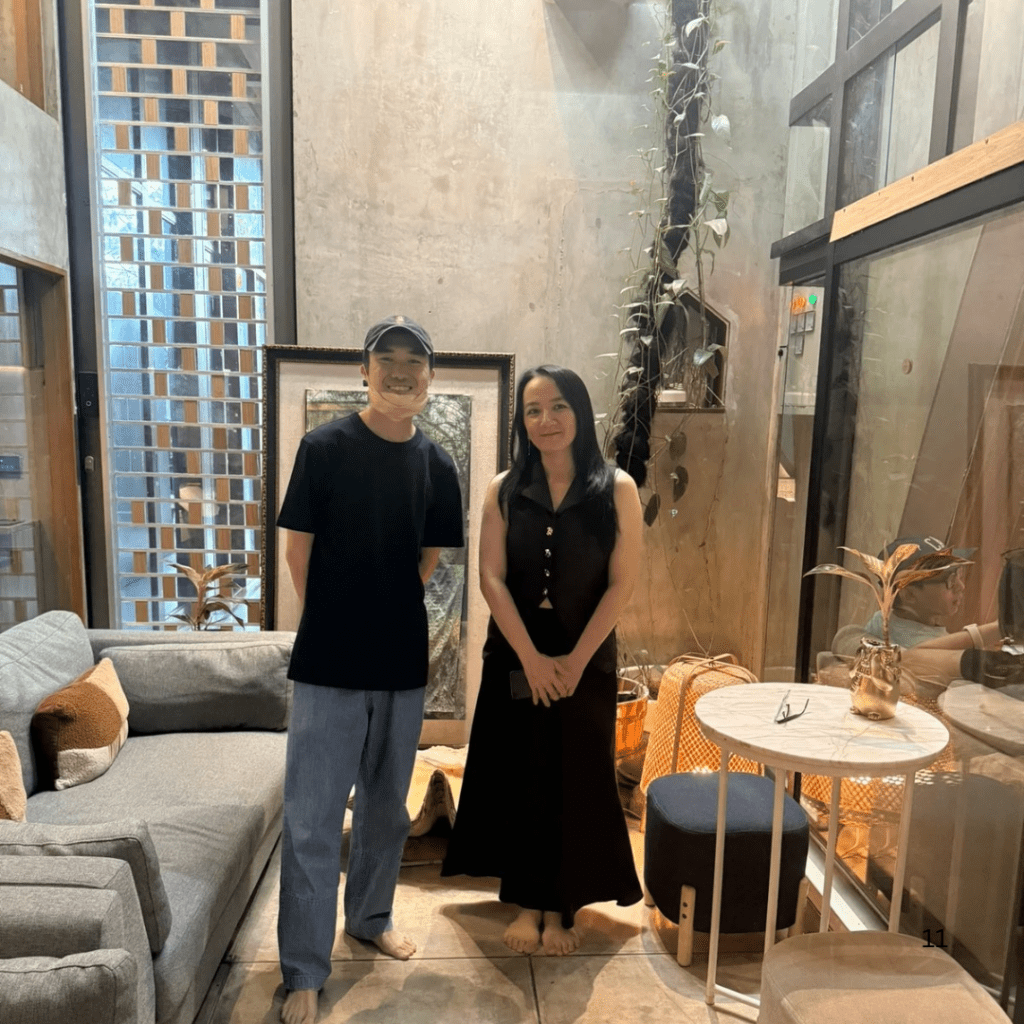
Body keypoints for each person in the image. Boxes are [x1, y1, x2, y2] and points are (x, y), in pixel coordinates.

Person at [276, 315, 464, 1024]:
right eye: (386, 359)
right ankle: (303, 968)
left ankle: (370, 917)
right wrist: (334, 614)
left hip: (400, 662)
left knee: (386, 808)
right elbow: (299, 551)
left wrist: (385, 609)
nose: (400, 371)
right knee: (313, 819)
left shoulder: (437, 464)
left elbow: (429, 557)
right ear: (364, 370)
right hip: (328, 663)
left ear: (430, 377)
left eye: (414, 360)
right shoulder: (323, 448)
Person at [441, 364, 644, 955]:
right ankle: (529, 905)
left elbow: (622, 584)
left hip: (587, 655)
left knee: (576, 775)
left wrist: (575, 662)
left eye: (558, 406)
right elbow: (491, 577)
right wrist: (530, 658)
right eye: (533, 410)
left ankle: (562, 909)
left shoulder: (618, 489)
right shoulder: (504, 489)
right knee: (522, 772)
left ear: (578, 412)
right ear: (521, 422)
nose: (546, 420)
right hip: (516, 651)